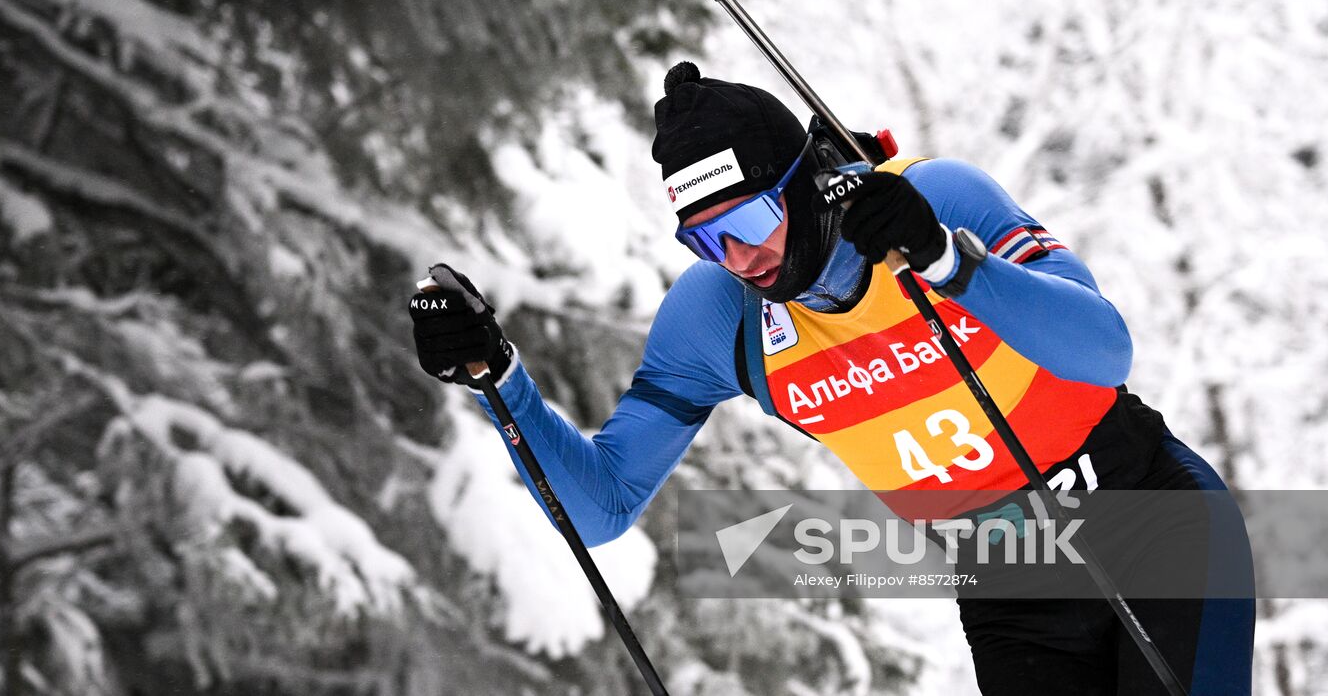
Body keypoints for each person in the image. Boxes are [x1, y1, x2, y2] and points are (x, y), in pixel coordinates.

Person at [408, 62, 1254, 694]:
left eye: (746, 220)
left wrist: (949, 263)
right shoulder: (719, 318)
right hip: (1011, 586)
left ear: (803, 186)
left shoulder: (929, 201)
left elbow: (1104, 352)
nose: (739, 257)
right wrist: (500, 378)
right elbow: (601, 509)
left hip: (1151, 526)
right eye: (706, 239)